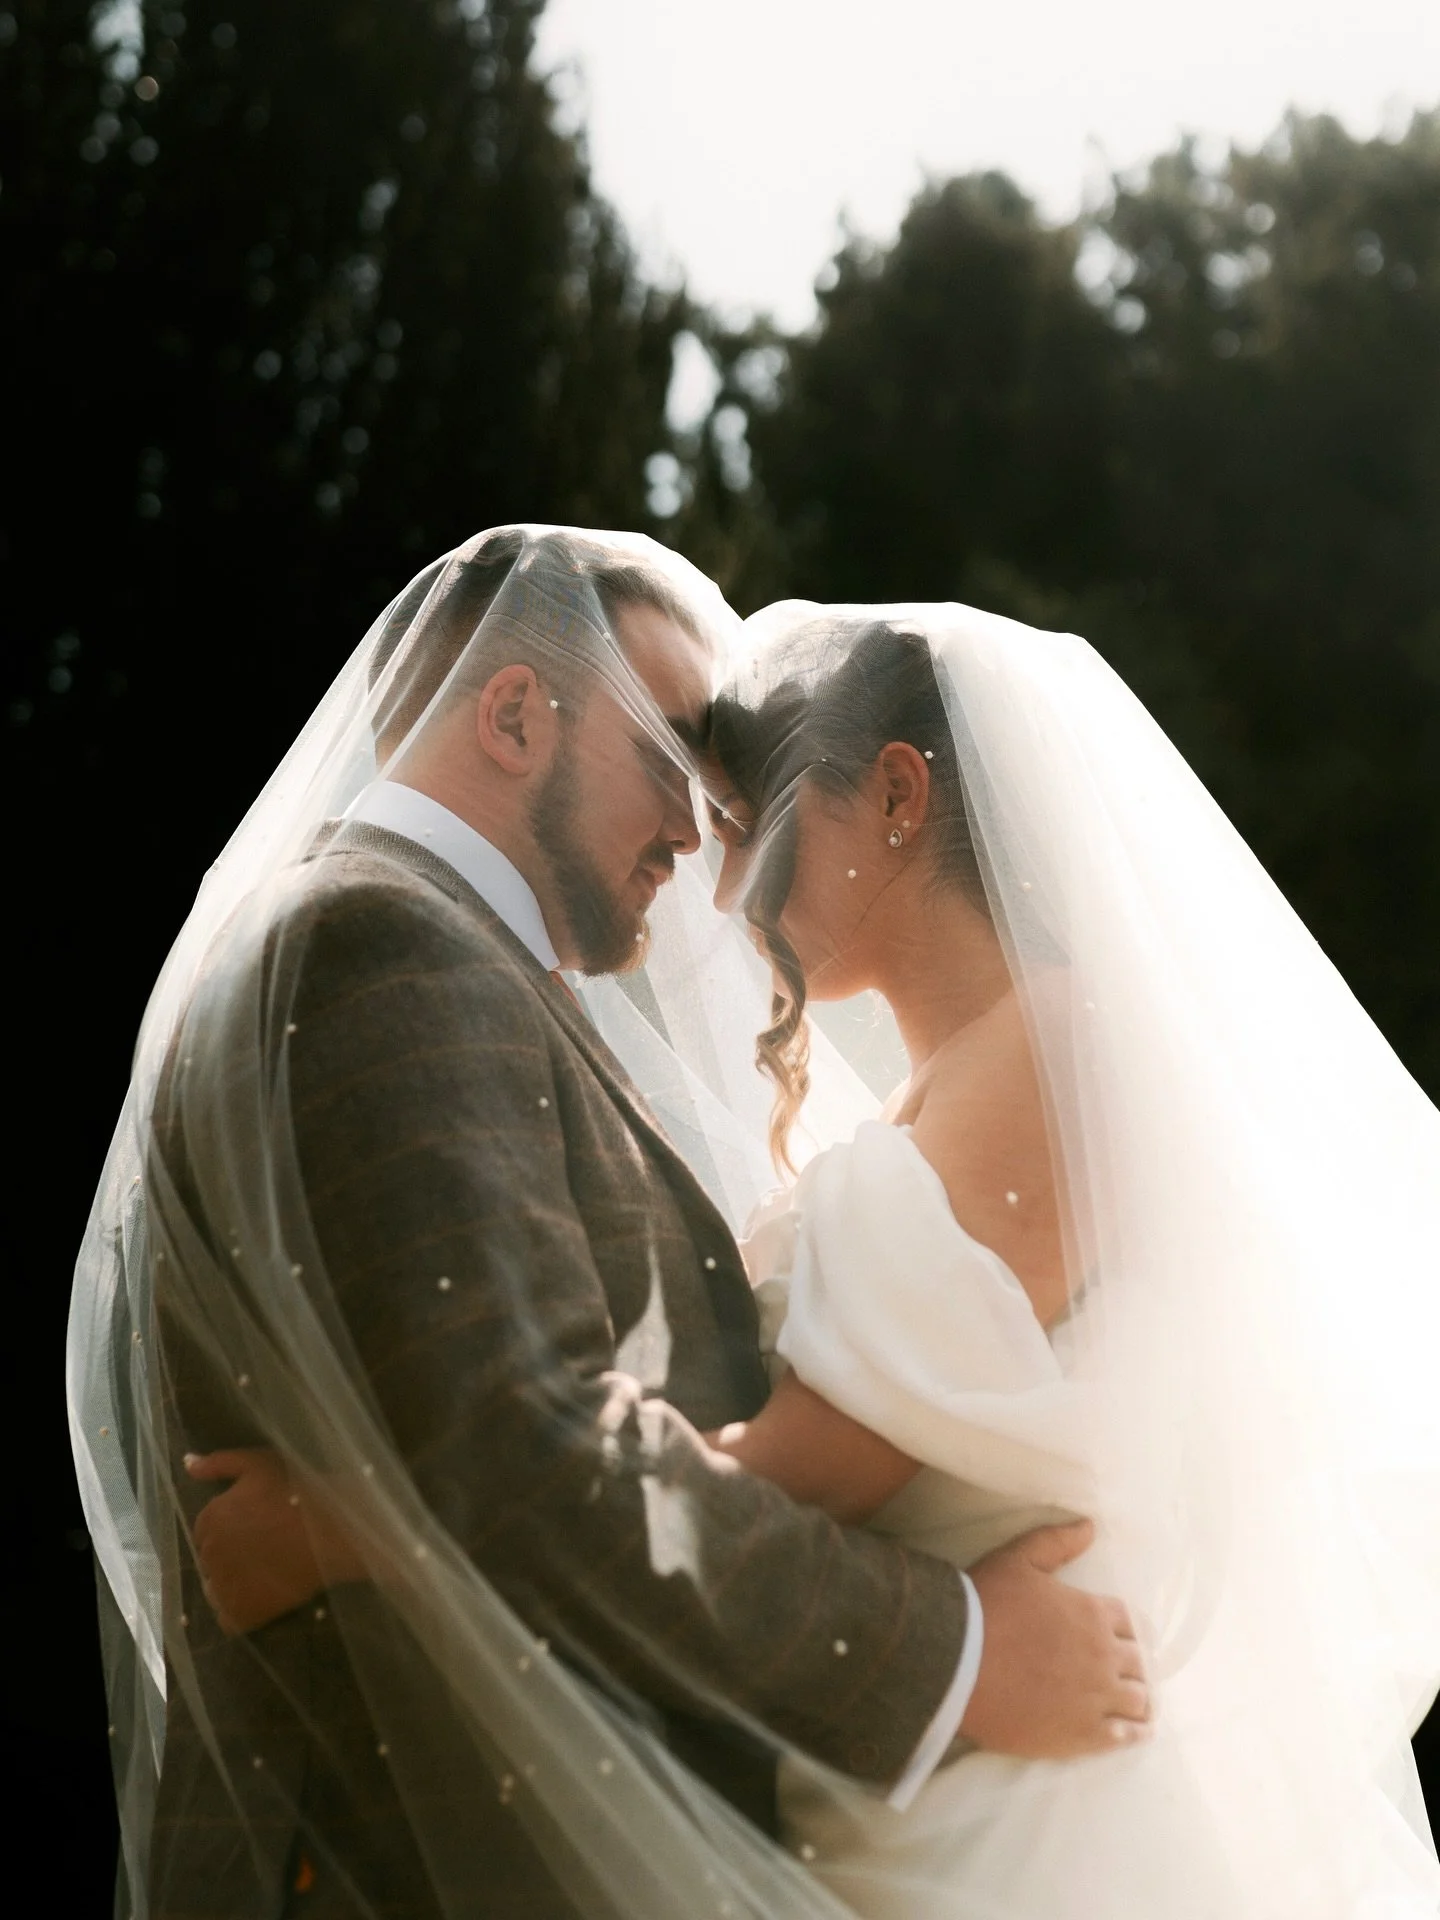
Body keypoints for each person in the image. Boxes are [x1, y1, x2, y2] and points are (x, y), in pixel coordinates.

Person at [193, 596, 1440, 1916]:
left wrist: (353, 1524)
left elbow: (805, 1474)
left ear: (896, 796)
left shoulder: (1053, 1061)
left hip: (1029, 1824)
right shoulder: (945, 1088)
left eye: (748, 827)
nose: (724, 890)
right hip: (916, 1791)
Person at [68, 536, 1145, 1920]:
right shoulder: (382, 948)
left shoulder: (432, 954)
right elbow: (529, 1453)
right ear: (516, 716)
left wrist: (355, 1525)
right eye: (672, 757)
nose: (703, 836)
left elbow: (524, 1440)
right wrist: (957, 1653)